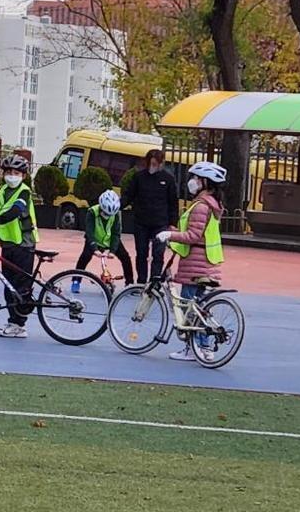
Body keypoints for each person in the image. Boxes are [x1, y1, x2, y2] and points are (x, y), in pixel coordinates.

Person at [156, 160, 226, 362]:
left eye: (195, 178)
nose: (192, 182)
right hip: (206, 262)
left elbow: (193, 236)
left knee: (188, 305)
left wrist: (170, 236)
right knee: (198, 305)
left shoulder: (201, 206)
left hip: (196, 264)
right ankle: (203, 349)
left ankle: (194, 348)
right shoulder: (212, 205)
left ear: (205, 182)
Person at [0, 154, 39, 339]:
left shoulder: (24, 192)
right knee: (9, 284)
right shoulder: (4, 190)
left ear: (23, 176)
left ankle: (19, 326)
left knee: (20, 286)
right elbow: (2, 209)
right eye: (8, 172)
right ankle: (13, 322)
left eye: (16, 173)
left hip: (23, 244)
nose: (11, 176)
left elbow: (15, 211)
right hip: (8, 244)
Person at [124, 148, 179, 284]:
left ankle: (154, 281)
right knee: (141, 253)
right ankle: (141, 281)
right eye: (151, 163)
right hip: (141, 222)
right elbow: (128, 195)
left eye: (156, 164)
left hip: (160, 223)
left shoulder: (168, 179)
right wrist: (117, 205)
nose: (154, 166)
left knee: (158, 253)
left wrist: (172, 223)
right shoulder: (139, 177)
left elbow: (173, 202)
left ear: (161, 163)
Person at [73, 188, 133, 287]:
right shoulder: (92, 212)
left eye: (110, 215)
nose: (107, 216)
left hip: (110, 240)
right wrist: (94, 249)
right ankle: (76, 281)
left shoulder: (116, 214)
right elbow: (89, 231)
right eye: (105, 213)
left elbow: (116, 233)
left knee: (125, 257)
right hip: (94, 239)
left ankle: (129, 283)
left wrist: (112, 251)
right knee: (85, 257)